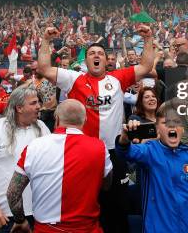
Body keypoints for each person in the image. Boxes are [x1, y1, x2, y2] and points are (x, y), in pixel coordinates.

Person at [36, 25, 154, 233]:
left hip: (115, 151)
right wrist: (46, 41)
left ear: (106, 60)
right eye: (92, 53)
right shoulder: (74, 78)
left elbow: (145, 66)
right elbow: (44, 68)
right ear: (86, 60)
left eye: (100, 53)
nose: (96, 56)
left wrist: (148, 39)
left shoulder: (118, 78)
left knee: (117, 204)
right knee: (86, 202)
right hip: (86, 153)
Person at [7, 100, 112, 233]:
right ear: (85, 120)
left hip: (47, 229)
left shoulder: (34, 146)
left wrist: (20, 220)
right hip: (87, 228)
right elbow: (107, 185)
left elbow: (12, 194)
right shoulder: (100, 147)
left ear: (56, 119)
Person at [116, 103, 188, 233]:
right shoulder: (149, 152)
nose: (172, 126)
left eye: (177, 122)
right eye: (165, 122)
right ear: (157, 129)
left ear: (182, 129)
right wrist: (124, 139)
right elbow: (124, 152)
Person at [0, 86, 50, 232]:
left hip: (38, 214)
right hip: (3, 216)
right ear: (19, 108)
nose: (39, 107)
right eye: (33, 103)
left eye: (38, 102)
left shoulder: (42, 127)